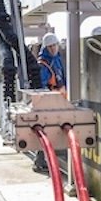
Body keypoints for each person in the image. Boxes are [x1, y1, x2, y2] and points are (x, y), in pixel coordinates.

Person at [33, 32, 67, 172]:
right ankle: (40, 161)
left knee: (55, 131)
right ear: (45, 48)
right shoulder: (43, 64)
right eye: (50, 46)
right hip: (49, 103)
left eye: (54, 45)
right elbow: (42, 86)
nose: (53, 48)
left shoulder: (57, 59)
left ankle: (47, 160)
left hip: (59, 101)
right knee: (47, 131)